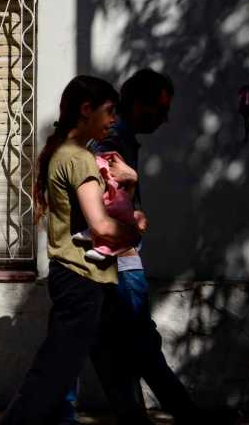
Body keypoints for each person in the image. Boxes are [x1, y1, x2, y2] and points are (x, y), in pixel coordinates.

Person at [0, 75, 151, 425]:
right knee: (52, 376)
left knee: (113, 371)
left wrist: (125, 187)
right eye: (109, 111)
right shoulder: (80, 159)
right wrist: (135, 229)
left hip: (86, 280)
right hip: (82, 281)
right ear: (86, 110)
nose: (114, 119)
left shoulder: (61, 153)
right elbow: (100, 225)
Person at [93, 68, 200, 423]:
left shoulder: (119, 140)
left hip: (118, 261)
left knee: (116, 350)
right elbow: (108, 204)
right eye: (160, 110)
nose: (164, 119)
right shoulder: (113, 142)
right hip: (120, 262)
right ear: (137, 103)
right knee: (138, 346)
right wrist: (135, 211)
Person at [72, 151, 140, 262]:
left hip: (126, 256)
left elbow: (127, 192)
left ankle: (98, 243)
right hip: (124, 258)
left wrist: (131, 178)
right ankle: (96, 239)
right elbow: (102, 227)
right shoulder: (102, 147)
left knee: (115, 209)